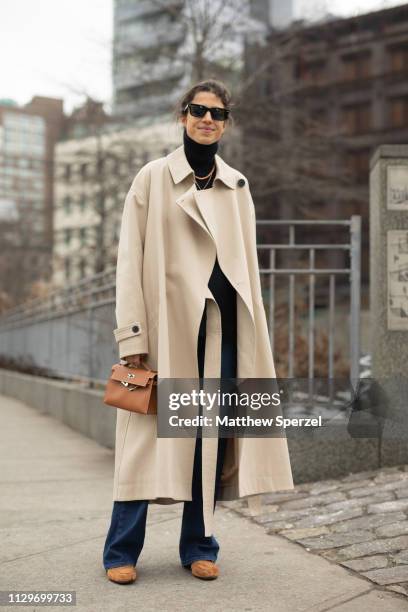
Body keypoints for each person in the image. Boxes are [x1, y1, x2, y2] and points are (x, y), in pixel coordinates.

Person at [103, 79, 294, 584]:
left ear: (226, 122)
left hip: (223, 333)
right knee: (144, 441)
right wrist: (133, 337)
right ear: (182, 115)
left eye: (217, 113)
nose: (207, 119)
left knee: (209, 441)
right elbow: (129, 262)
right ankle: (120, 552)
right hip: (166, 334)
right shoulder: (151, 179)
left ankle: (200, 545)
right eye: (197, 110)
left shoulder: (237, 188)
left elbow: (247, 270)